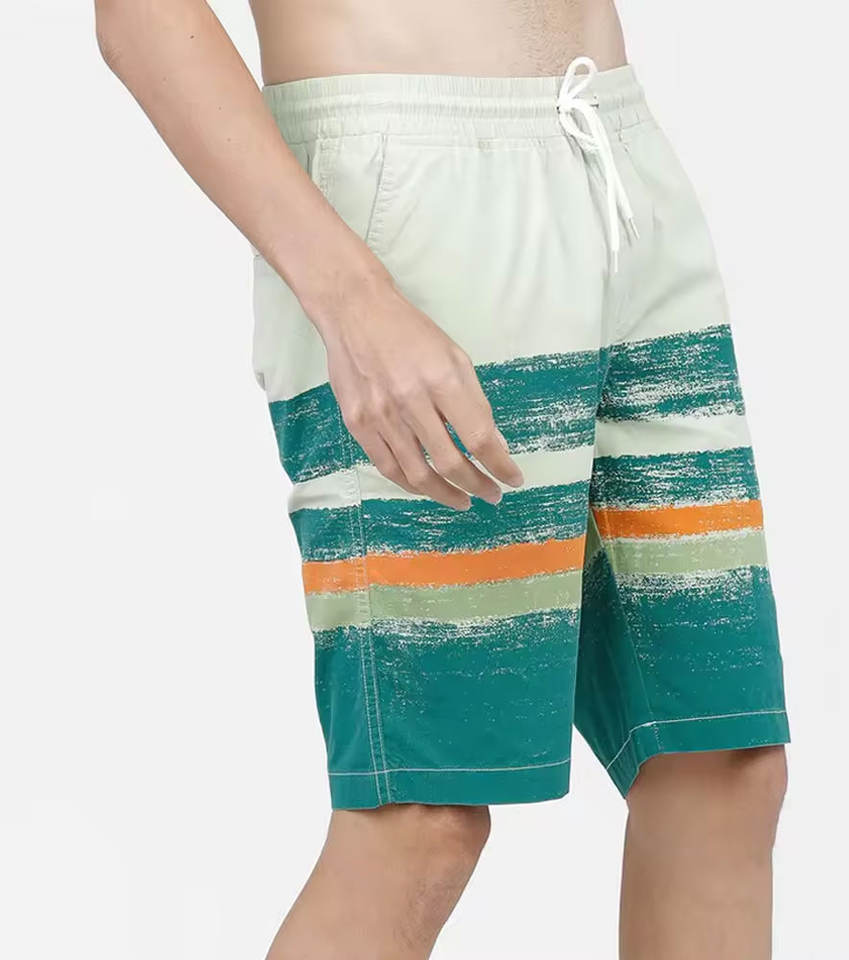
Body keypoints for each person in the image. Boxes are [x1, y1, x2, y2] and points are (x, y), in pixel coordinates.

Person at [94, 1, 790, 957]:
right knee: (420, 819)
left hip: (616, 160)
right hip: (413, 197)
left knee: (720, 764)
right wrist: (349, 296)